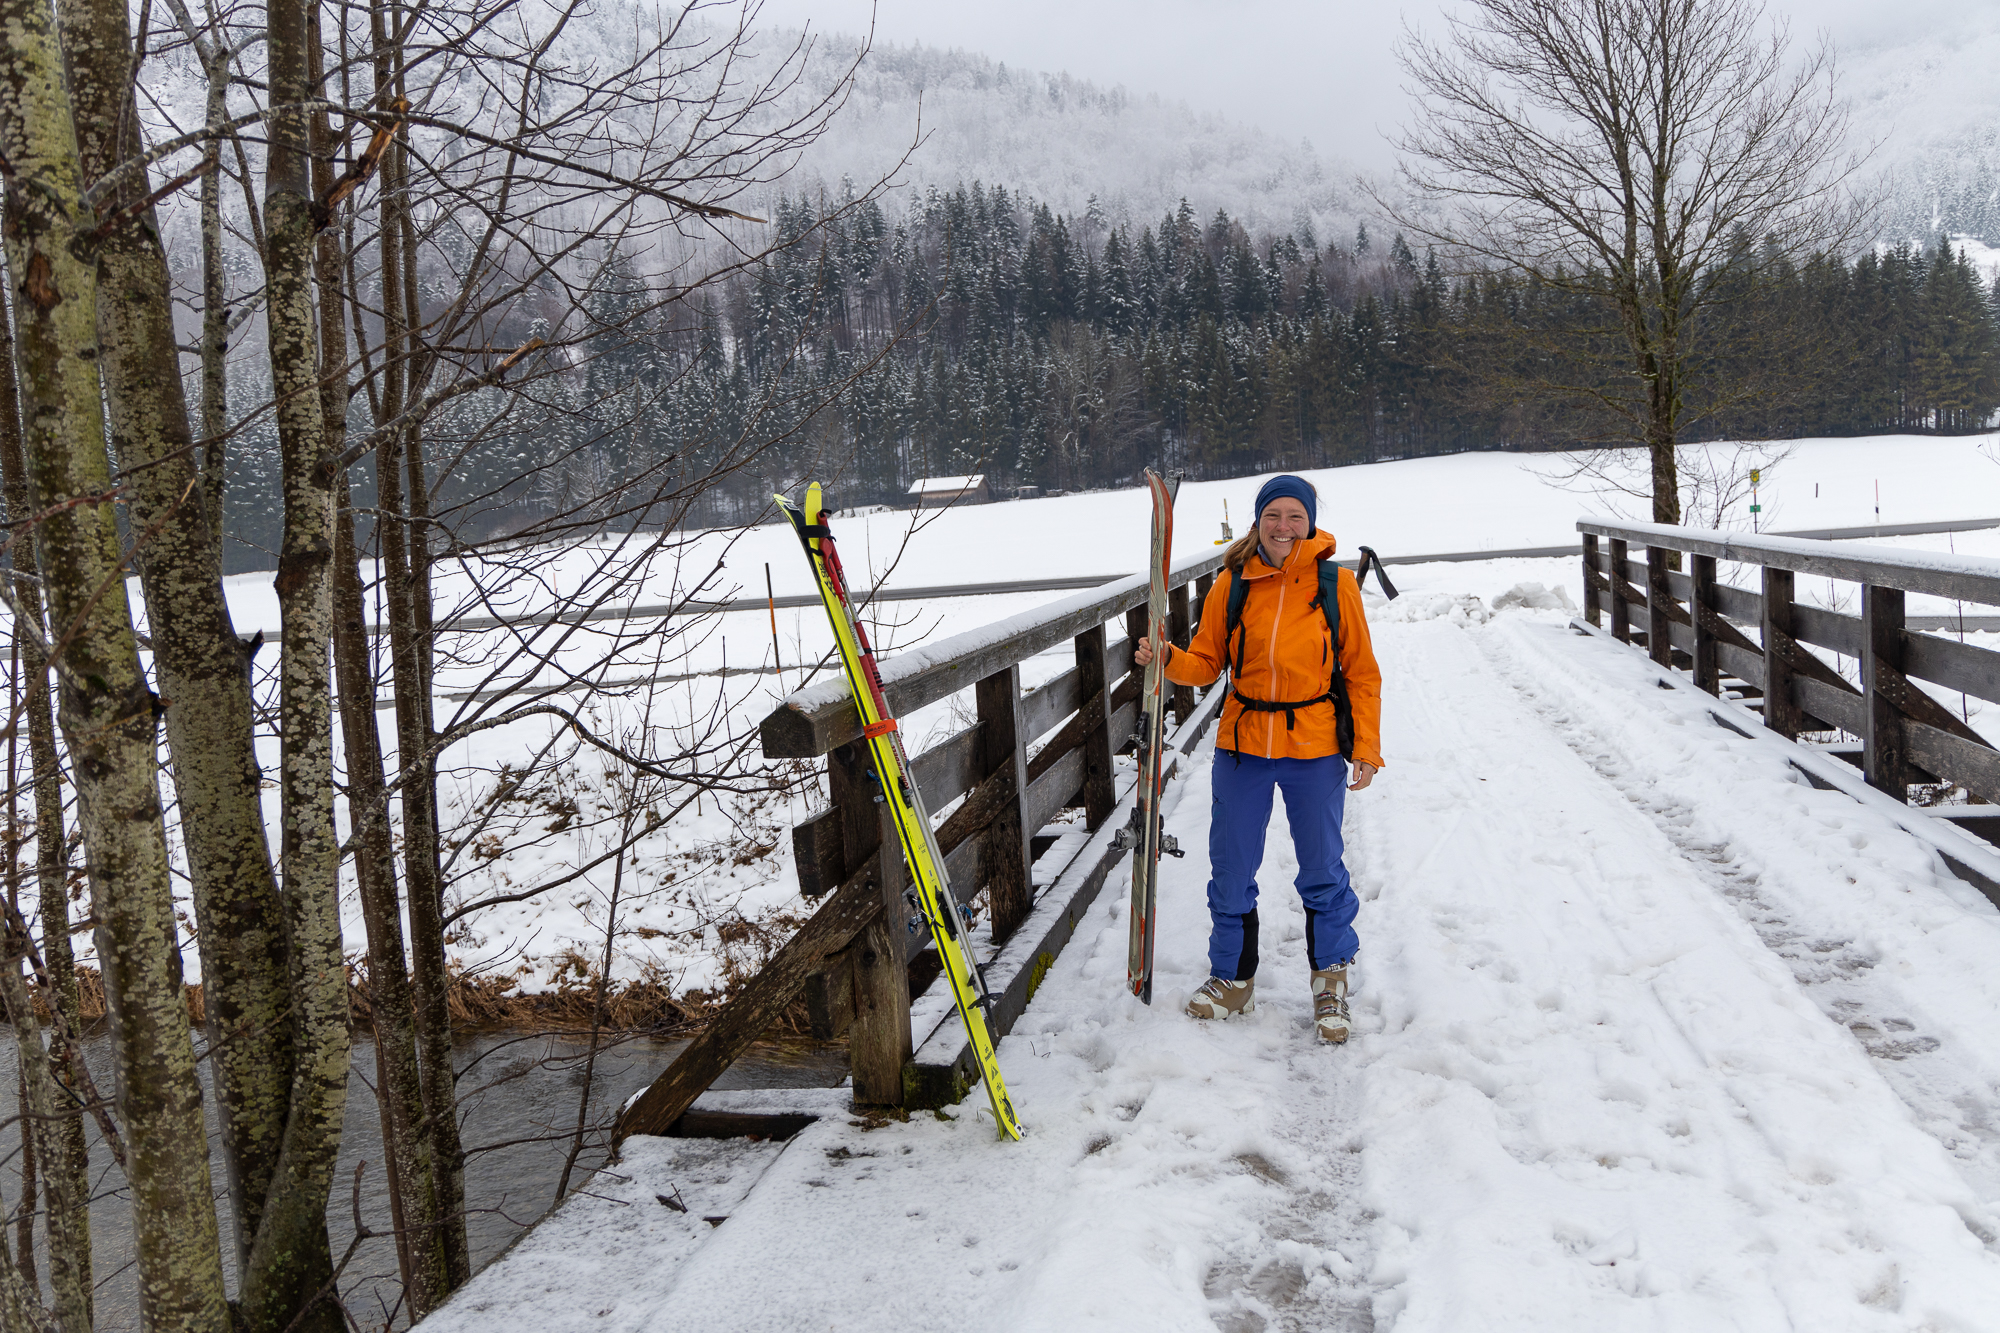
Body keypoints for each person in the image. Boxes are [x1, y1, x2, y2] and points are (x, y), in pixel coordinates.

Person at [1133, 474, 1382, 1043]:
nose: (1284, 527)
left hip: (1314, 743)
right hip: (1243, 744)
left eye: (1296, 516)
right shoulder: (1233, 582)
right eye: (1274, 516)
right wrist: (1166, 656)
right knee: (1231, 869)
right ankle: (1233, 979)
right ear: (1259, 521)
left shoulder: (1336, 586)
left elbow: (1361, 674)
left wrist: (1365, 747)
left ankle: (1331, 983)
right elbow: (1205, 663)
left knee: (1322, 870)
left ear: (1311, 522)